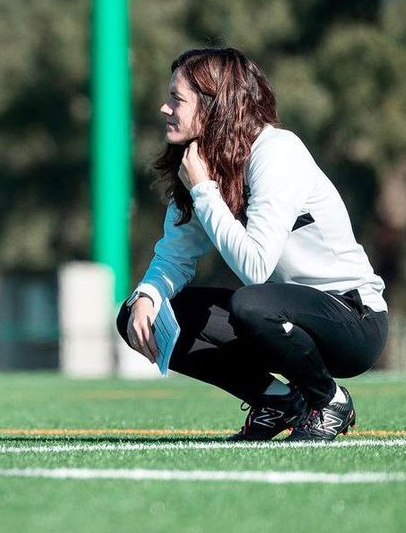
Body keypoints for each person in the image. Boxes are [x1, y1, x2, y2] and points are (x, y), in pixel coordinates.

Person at [116, 47, 389, 442]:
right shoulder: (205, 163)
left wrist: (206, 192)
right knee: (138, 316)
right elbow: (175, 257)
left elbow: (256, 267)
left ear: (214, 107)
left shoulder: (276, 152)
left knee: (252, 302)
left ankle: (327, 399)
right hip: (277, 315)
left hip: (353, 318)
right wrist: (147, 295)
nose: (164, 108)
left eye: (177, 99)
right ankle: (277, 401)